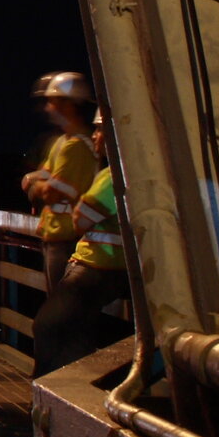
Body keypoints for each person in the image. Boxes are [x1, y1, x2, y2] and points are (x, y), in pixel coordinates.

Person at [31, 115, 133, 374]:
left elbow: (81, 218)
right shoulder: (133, 171)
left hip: (95, 266)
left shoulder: (113, 175)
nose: (96, 135)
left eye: (100, 130)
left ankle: (54, 389)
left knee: (49, 325)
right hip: (119, 269)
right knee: (79, 328)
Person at [21, 73, 99, 299]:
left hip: (68, 240)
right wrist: (37, 183)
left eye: (52, 101)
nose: (47, 108)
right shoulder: (62, 143)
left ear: (69, 104)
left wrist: (35, 187)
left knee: (61, 306)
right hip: (56, 236)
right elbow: (41, 177)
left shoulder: (76, 147)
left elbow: (51, 192)